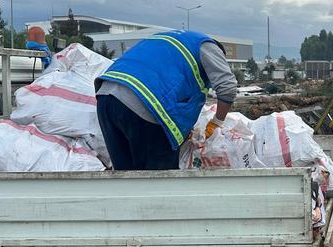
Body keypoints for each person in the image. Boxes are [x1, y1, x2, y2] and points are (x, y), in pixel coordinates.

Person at [95, 29, 238, 170]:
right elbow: (227, 87)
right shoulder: (208, 46)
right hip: (144, 101)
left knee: (125, 176)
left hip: (105, 97)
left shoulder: (168, 41)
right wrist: (217, 122)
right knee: (160, 180)